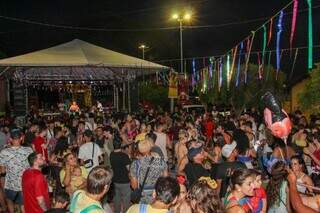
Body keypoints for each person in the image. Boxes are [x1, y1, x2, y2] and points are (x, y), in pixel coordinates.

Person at [0, 129, 33, 213]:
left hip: (10, 184)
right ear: (21, 138)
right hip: (24, 183)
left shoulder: (4, 152)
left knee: (10, 201)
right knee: (23, 205)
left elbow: (3, 171)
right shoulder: (29, 150)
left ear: (10, 139)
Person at [130, 139, 168, 204]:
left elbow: (134, 185)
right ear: (150, 148)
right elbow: (166, 179)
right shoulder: (161, 162)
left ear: (139, 149)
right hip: (157, 193)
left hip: (142, 195)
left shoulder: (136, 164)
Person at [110, 134, 131, 213]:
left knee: (116, 199)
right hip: (125, 181)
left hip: (115, 180)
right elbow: (129, 169)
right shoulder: (124, 156)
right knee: (126, 199)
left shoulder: (111, 154)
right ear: (121, 144)